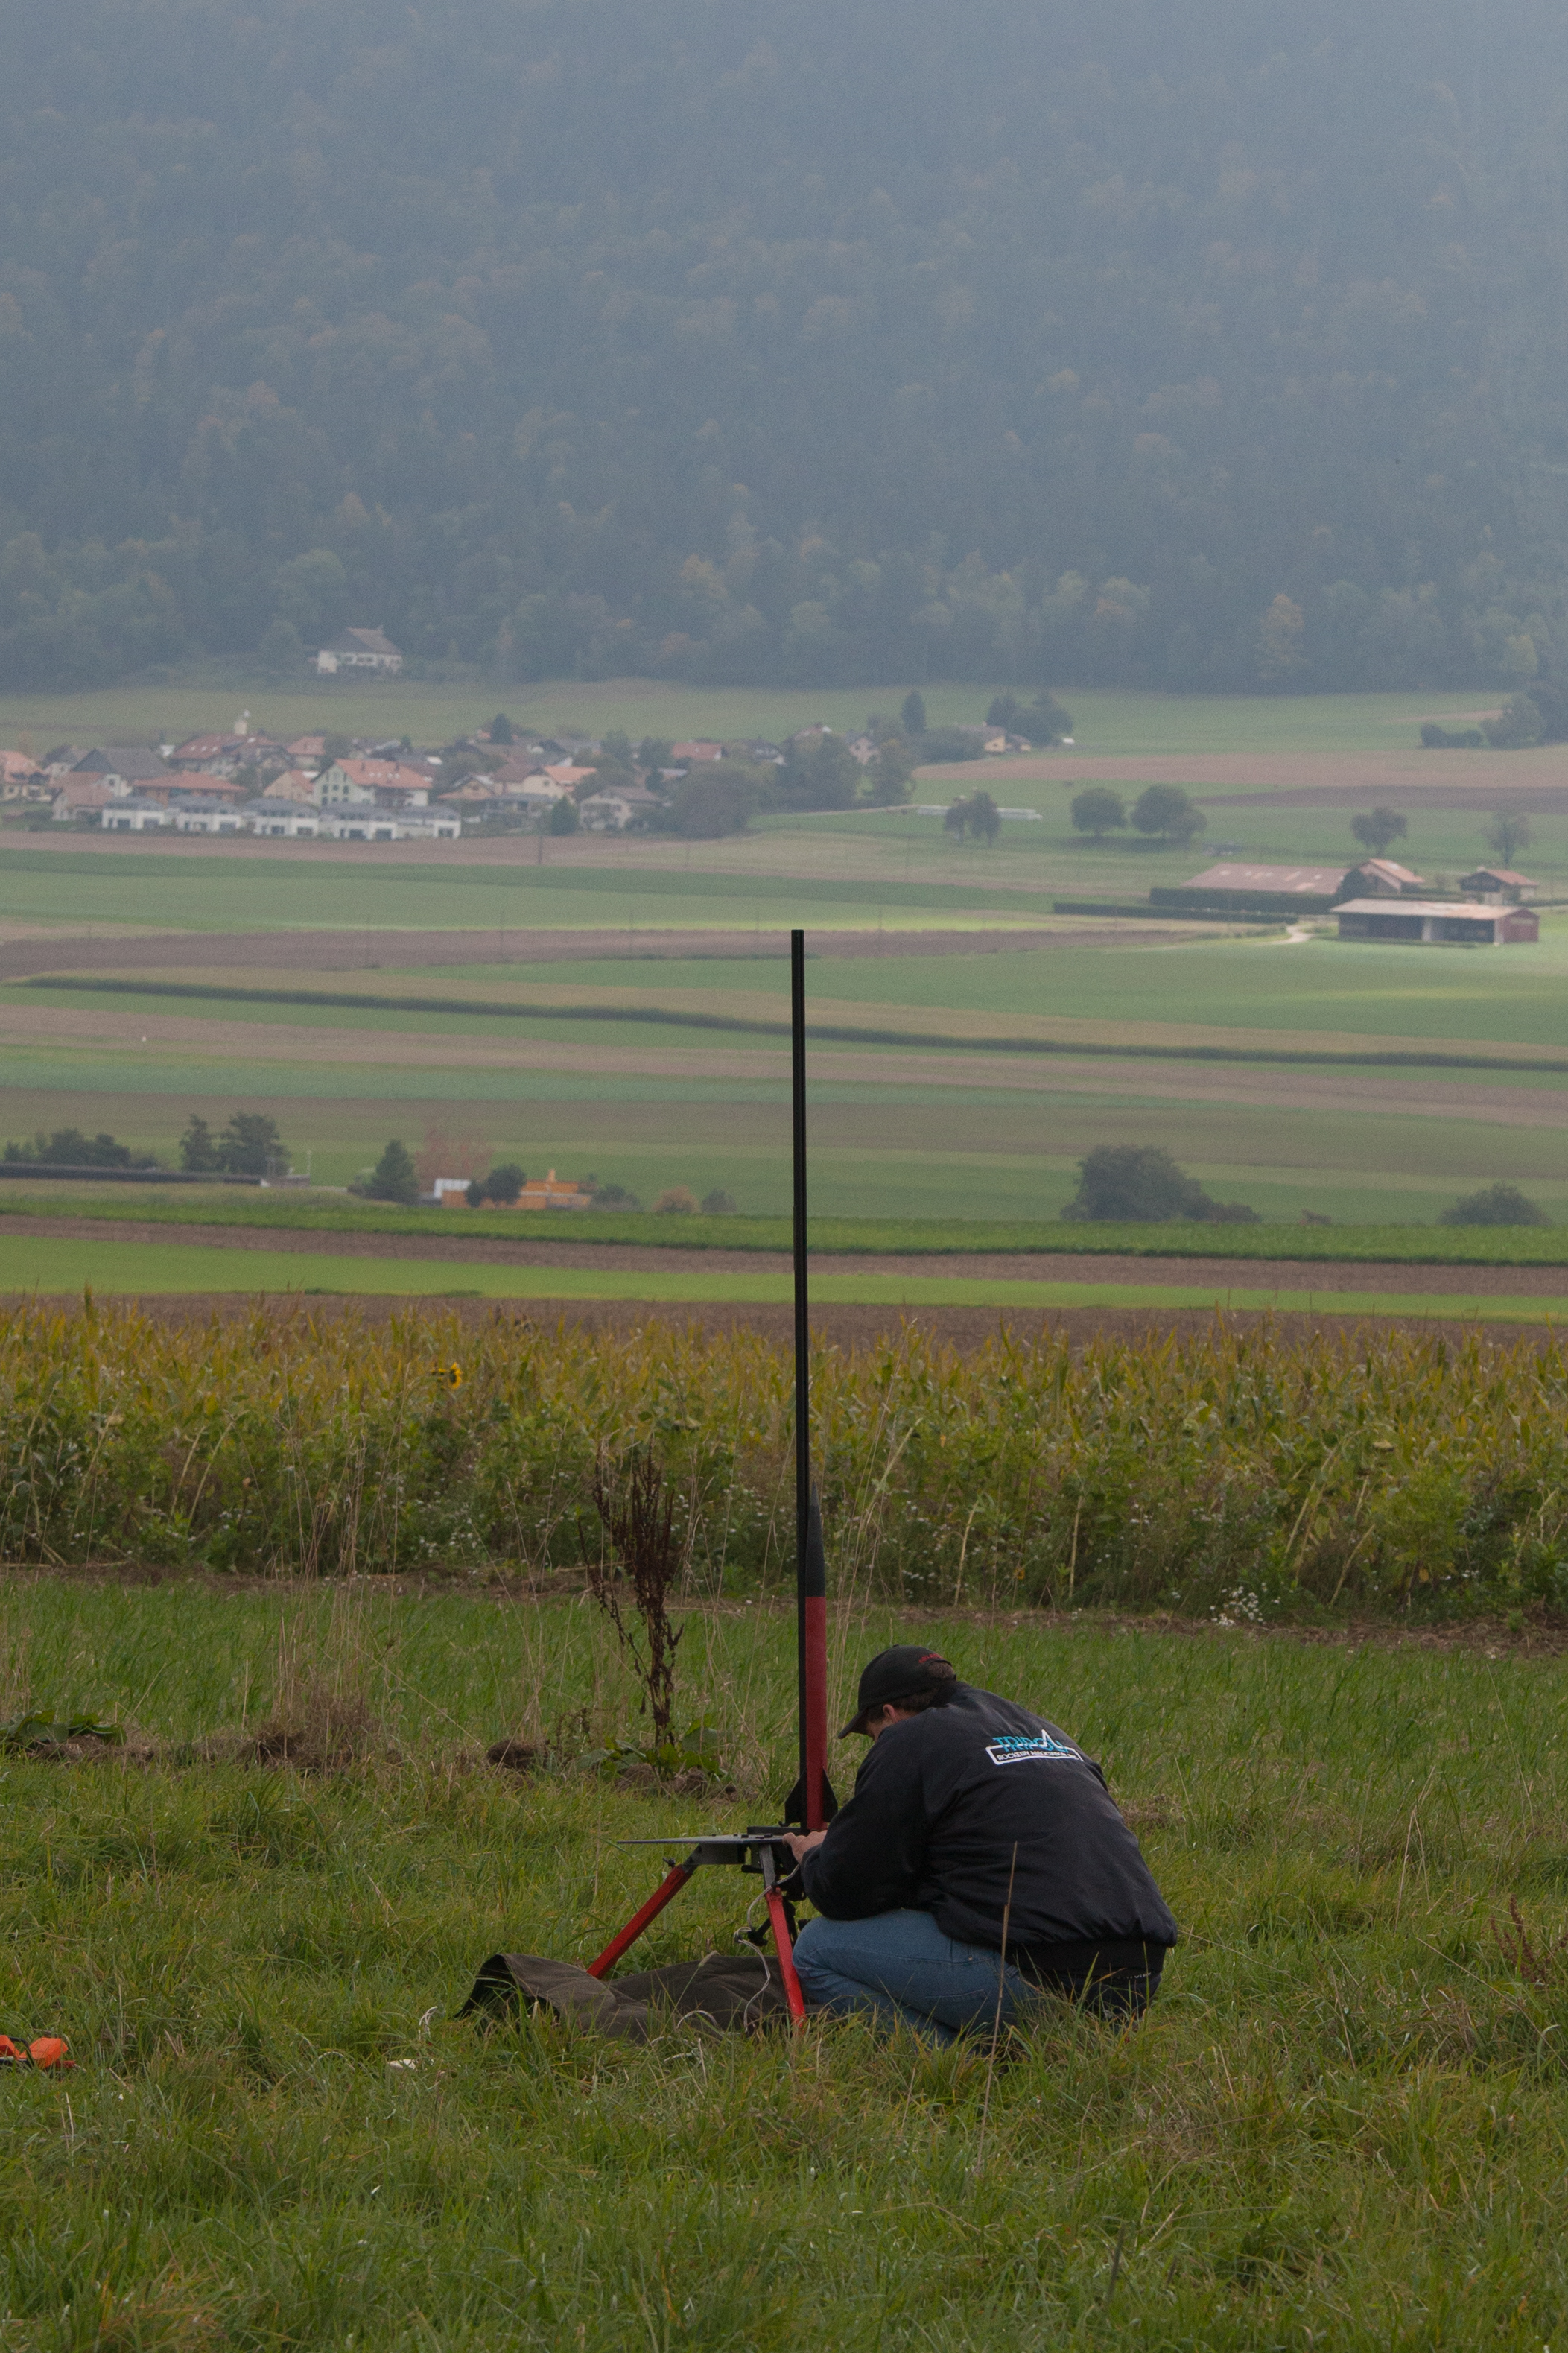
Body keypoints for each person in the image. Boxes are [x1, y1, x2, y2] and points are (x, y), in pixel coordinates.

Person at [784, 1644, 1176, 2045]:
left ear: (889, 1713)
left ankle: (966, 2062)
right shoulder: (1046, 1733)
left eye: (872, 1737)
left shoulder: (909, 1737)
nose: (878, 1745)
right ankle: (1055, 2050)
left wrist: (815, 1855)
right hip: (1136, 1984)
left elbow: (846, 1888)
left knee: (817, 1947)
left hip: (1042, 1978)